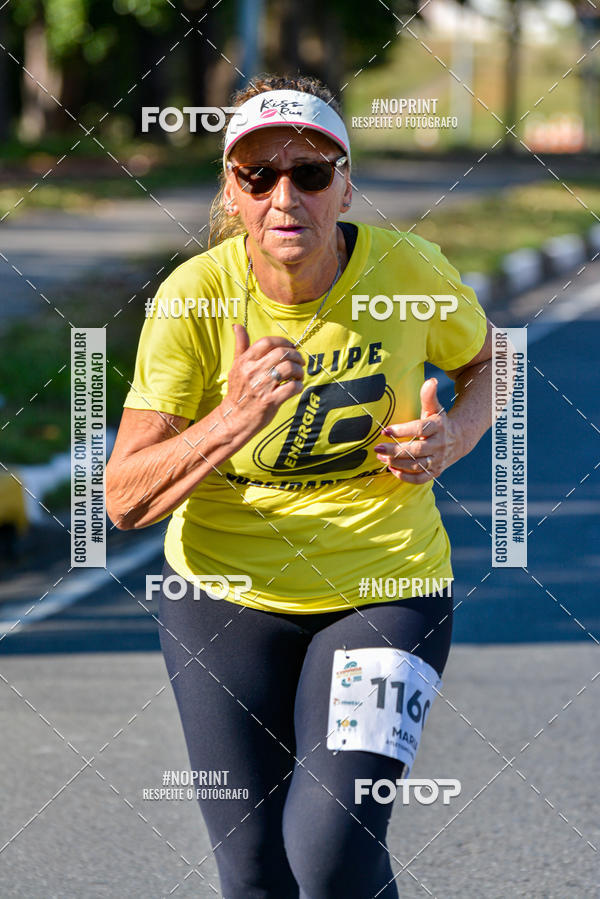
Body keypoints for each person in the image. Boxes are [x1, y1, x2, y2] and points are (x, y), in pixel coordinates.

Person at [106, 73, 493, 899]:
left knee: (332, 855)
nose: (287, 196)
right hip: (223, 593)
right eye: (259, 175)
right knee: (253, 875)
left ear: (346, 185)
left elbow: (495, 359)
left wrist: (453, 435)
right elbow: (125, 497)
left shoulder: (409, 270)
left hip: (384, 584)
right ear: (232, 191)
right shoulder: (194, 300)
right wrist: (229, 419)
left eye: (311, 173)